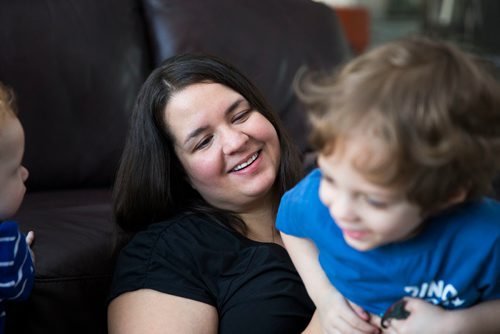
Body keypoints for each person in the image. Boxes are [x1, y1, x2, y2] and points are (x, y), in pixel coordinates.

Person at [277, 36, 500, 334]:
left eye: (374, 200)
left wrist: (457, 325)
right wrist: (325, 297)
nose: (341, 210)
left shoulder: (487, 237)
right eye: (330, 177)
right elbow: (291, 228)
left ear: (447, 195)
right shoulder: (314, 200)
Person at [107, 54, 319, 333]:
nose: (236, 141)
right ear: (180, 173)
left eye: (240, 115)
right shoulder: (166, 253)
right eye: (204, 141)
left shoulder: (337, 199)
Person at [0, 82, 33, 333]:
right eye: (14, 170)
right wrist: (26, 254)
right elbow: (20, 288)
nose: (25, 173)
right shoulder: (7, 242)